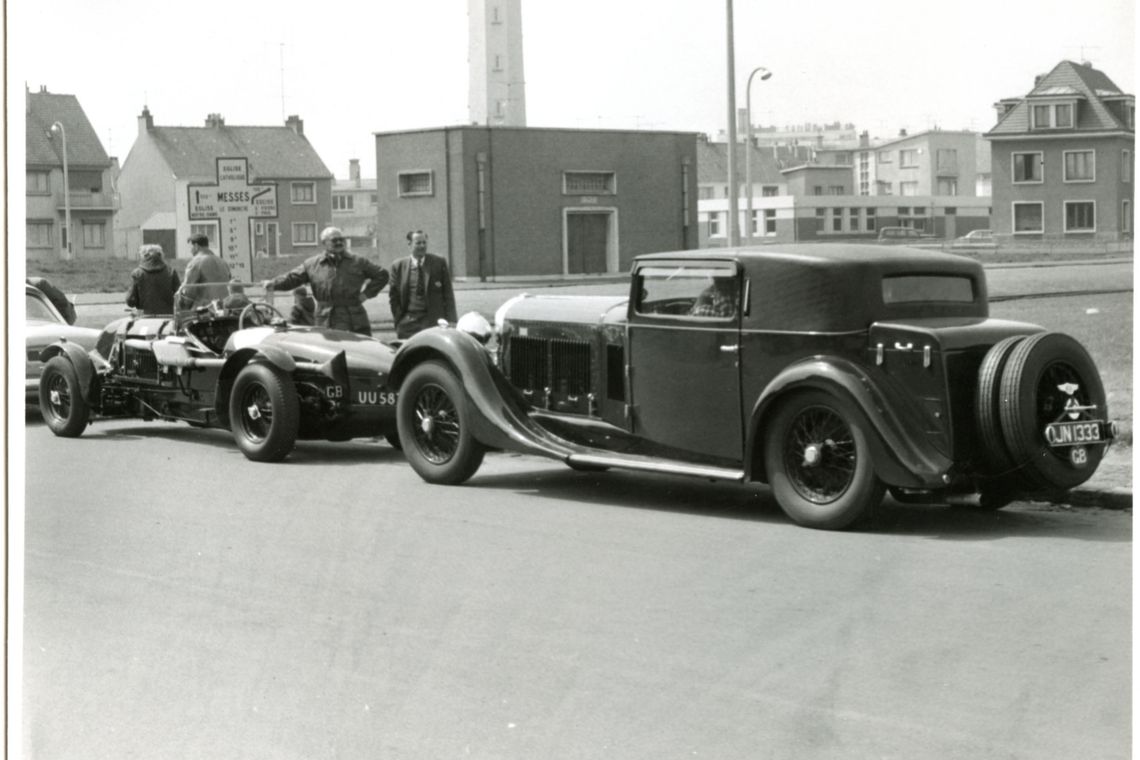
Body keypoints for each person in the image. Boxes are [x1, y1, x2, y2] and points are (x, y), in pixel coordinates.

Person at [262, 226, 389, 336]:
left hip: (354, 319)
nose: (339, 242)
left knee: (361, 355)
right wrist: (273, 283)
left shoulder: (358, 262)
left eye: (341, 239)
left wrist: (366, 294)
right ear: (324, 243)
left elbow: (382, 275)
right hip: (325, 319)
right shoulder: (312, 264)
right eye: (334, 240)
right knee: (328, 354)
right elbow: (292, 278)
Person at [388, 230, 457, 339]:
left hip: (433, 322)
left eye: (424, 243)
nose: (422, 246)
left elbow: (448, 294)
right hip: (408, 323)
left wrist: (452, 320)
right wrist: (399, 320)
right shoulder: (398, 266)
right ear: (409, 244)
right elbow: (393, 297)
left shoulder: (438, 263)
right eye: (418, 243)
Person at [179, 233, 231, 311]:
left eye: (191, 247)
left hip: (205, 310)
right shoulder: (223, 262)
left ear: (196, 246)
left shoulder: (195, 262)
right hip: (225, 307)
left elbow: (188, 291)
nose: (190, 251)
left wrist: (183, 305)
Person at [125, 244, 181, 315]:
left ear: (144, 256)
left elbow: (130, 301)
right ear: (161, 255)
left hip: (145, 316)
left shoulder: (137, 273)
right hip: (168, 316)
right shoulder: (171, 272)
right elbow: (180, 296)